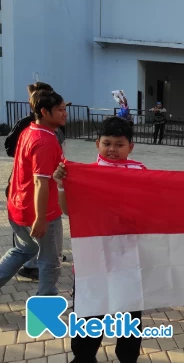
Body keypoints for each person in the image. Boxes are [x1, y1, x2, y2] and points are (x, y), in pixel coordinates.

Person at [53, 117, 144, 363]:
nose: (112, 149)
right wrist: (62, 184)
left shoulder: (140, 172)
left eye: (119, 144)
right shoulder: (85, 174)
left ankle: (128, 357)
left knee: (129, 312)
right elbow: (69, 211)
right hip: (92, 258)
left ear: (130, 147)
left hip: (127, 257)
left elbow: (149, 208)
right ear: (97, 144)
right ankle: (83, 356)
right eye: (107, 143)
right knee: (90, 311)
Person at [0, 86, 67, 296]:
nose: (65, 114)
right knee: (51, 261)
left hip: (18, 205)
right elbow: (40, 183)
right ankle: (45, 307)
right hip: (40, 212)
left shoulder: (30, 130)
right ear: (45, 112)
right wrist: (40, 218)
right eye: (60, 110)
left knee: (25, 249)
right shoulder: (45, 140)